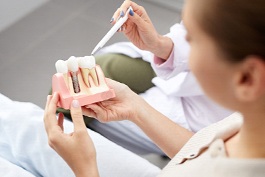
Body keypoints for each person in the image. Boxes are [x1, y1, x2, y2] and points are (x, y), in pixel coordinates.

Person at [44, 0, 265, 176]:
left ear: (247, 78)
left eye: (192, 39)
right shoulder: (245, 126)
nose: (184, 45)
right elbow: (198, 150)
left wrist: (85, 168)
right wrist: (135, 107)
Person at [59, 3, 233, 155]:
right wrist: (160, 44)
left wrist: (136, 108)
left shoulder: (235, 144)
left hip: (199, 121)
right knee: (105, 66)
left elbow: (199, 155)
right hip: (186, 78)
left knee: (75, 113)